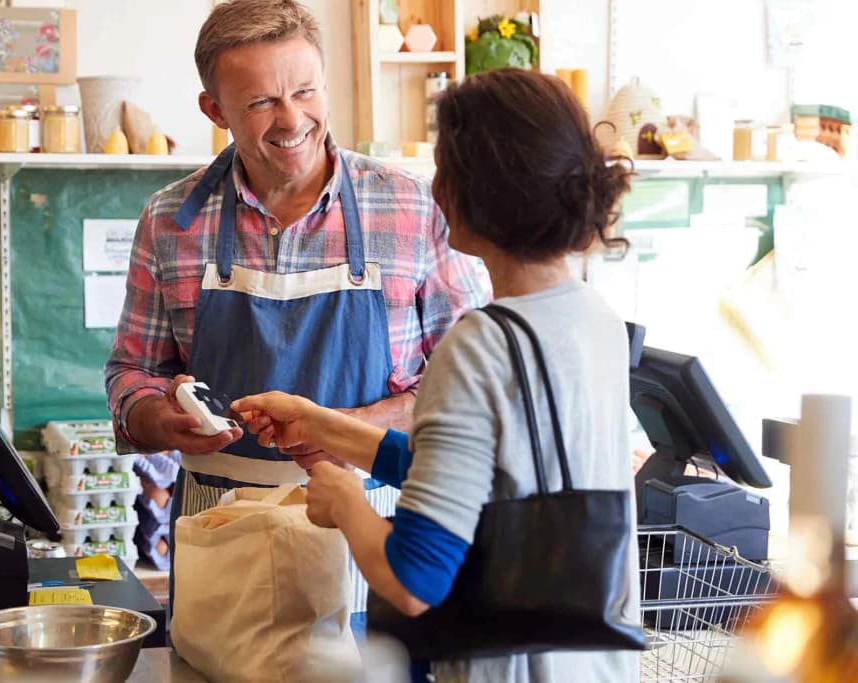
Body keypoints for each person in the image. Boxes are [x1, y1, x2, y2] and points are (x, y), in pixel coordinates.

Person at [232, 68, 640, 683]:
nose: (434, 186)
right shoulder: (594, 317)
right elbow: (494, 484)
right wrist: (321, 424)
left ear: (472, 190)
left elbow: (413, 579)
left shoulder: (481, 342)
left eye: (444, 166)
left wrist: (342, 499)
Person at [104, 0, 489, 620]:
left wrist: (345, 430)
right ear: (215, 110)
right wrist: (154, 417)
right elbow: (131, 369)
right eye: (261, 103)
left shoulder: (413, 209)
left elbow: (468, 388)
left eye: (305, 91)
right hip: (219, 531)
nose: (292, 120)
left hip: (374, 528)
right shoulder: (170, 221)